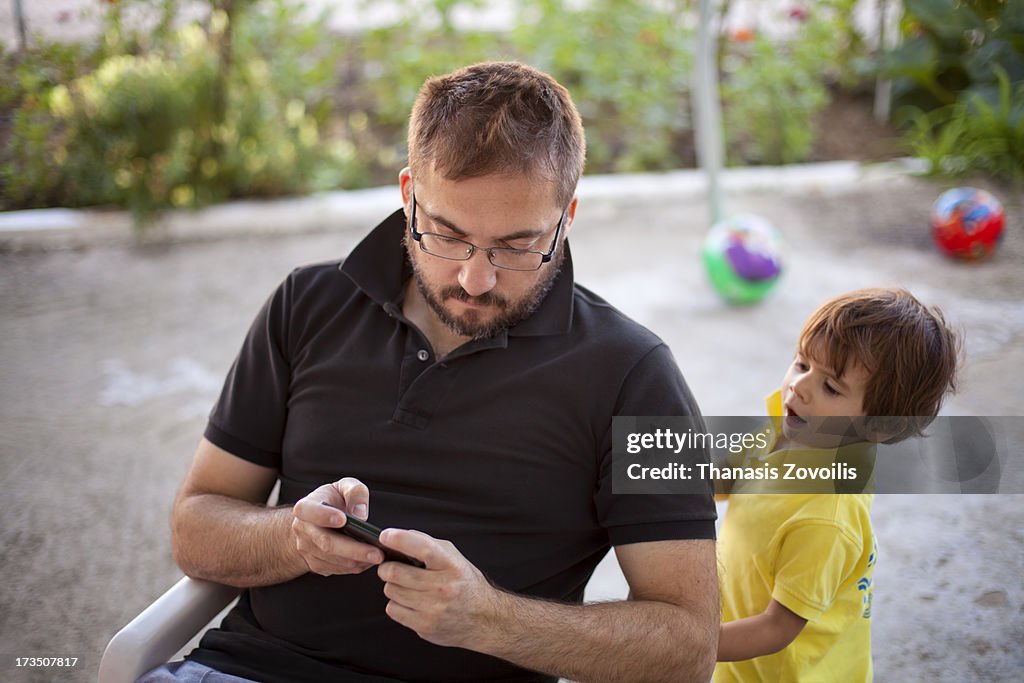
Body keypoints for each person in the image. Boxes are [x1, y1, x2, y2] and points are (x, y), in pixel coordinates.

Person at [140, 61, 718, 683]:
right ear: (409, 193)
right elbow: (197, 526)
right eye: (446, 234)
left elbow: (688, 646)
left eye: (517, 245)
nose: (476, 278)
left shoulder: (636, 373)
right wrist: (293, 539)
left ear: (567, 216)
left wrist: (491, 620)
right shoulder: (307, 303)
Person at [713, 288, 961, 682]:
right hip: (736, 658)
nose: (800, 386)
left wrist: (690, 643)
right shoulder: (788, 427)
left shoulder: (826, 517)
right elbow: (725, 476)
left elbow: (776, 629)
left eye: (831, 387)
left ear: (876, 426)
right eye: (801, 363)